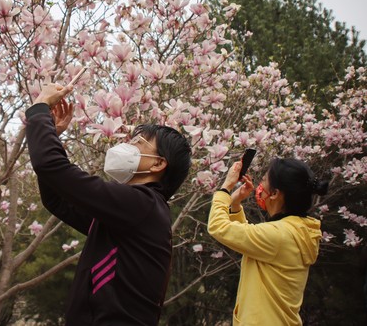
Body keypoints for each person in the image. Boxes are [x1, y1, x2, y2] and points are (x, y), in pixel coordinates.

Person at [25, 82, 192, 325]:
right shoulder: (131, 213)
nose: (126, 147)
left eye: (137, 144)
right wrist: (55, 138)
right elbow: (57, 200)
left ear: (158, 164)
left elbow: (52, 168)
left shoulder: (141, 205)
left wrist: (40, 108)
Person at [208, 157, 328, 325]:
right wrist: (235, 204)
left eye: (263, 180)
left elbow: (218, 226)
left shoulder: (279, 235)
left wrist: (225, 188)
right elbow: (252, 243)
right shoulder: (296, 230)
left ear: (275, 193)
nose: (260, 186)